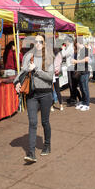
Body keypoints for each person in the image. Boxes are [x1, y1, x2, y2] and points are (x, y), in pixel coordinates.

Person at [14, 34, 54, 163]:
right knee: (32, 122)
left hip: (46, 93)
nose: (37, 44)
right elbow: (22, 72)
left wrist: (36, 70)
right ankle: (31, 153)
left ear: (44, 44)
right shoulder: (28, 56)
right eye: (35, 41)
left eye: (40, 42)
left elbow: (50, 77)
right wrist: (16, 82)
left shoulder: (48, 57)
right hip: (31, 94)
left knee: (45, 122)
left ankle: (47, 145)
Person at [62, 38, 82, 106]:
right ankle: (73, 98)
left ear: (68, 41)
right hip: (71, 67)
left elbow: (63, 54)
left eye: (65, 42)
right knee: (72, 84)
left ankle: (76, 98)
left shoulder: (70, 47)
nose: (65, 43)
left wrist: (63, 48)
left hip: (71, 67)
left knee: (72, 84)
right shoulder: (71, 47)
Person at [73, 38, 91, 111]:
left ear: (78, 43)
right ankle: (83, 102)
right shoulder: (80, 51)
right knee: (81, 88)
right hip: (80, 72)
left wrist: (76, 61)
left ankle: (87, 104)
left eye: (75, 44)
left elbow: (87, 59)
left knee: (84, 88)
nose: (75, 45)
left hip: (84, 72)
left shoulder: (85, 49)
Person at [51, 46, 64, 112]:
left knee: (53, 90)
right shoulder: (59, 54)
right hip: (54, 74)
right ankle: (60, 105)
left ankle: (54, 105)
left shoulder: (55, 54)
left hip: (53, 74)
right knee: (56, 90)